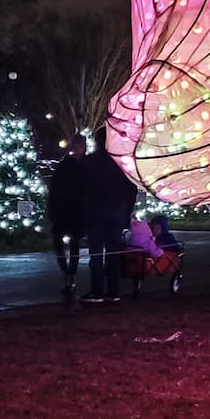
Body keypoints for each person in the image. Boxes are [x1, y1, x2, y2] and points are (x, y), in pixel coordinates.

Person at [82, 124, 137, 304]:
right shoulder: (121, 162)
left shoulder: (90, 162)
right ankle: (113, 291)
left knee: (96, 253)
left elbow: (82, 188)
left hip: (96, 211)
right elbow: (131, 188)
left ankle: (97, 291)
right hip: (117, 212)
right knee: (114, 252)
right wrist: (126, 211)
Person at [48, 135, 86, 297]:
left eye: (78, 146)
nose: (75, 149)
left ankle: (71, 273)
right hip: (64, 209)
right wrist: (53, 208)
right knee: (58, 240)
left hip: (78, 210)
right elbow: (55, 188)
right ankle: (66, 271)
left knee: (74, 243)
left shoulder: (87, 165)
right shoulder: (65, 165)